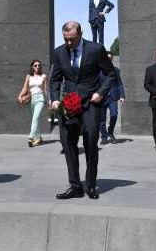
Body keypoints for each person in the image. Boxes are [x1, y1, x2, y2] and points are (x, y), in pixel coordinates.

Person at [50, 21, 116, 200]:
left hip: (90, 104)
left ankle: (91, 184)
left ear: (80, 34)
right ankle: (75, 186)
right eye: (65, 39)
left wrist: (101, 93)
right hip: (70, 104)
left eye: (71, 39)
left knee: (90, 142)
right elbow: (55, 79)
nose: (68, 43)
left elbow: (111, 74)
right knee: (67, 142)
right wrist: (55, 98)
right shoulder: (59, 52)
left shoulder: (95, 49)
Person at [17, 59, 48, 147]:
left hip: (40, 99)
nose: (37, 67)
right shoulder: (28, 76)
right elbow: (25, 88)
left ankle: (31, 137)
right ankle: (39, 137)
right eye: (35, 65)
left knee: (36, 118)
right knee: (34, 119)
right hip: (31, 99)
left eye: (39, 65)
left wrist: (50, 100)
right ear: (32, 67)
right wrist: (20, 95)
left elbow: (45, 90)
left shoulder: (44, 76)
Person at [99, 52, 125, 145]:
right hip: (102, 98)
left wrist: (122, 95)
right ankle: (104, 137)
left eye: (110, 58)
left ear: (112, 59)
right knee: (101, 119)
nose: (108, 60)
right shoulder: (98, 70)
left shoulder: (116, 70)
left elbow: (119, 83)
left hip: (113, 97)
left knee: (114, 115)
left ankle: (110, 132)